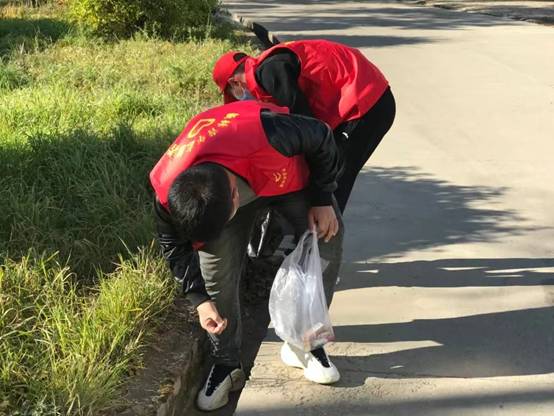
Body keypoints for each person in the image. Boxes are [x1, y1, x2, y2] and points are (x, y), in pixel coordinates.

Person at [150, 99, 344, 411]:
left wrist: (322, 197)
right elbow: (173, 247)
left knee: (328, 236)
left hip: (285, 174)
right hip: (224, 185)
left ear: (236, 195)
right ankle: (227, 363)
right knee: (215, 270)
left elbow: (321, 135)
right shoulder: (167, 191)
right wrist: (199, 300)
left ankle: (305, 342)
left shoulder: (273, 132)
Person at [212, 38, 396, 213]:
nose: (239, 98)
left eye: (233, 94)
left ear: (234, 83)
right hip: (359, 98)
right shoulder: (268, 69)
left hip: (368, 102)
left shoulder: (271, 72)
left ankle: (325, 232)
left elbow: (308, 128)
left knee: (334, 177)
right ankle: (320, 225)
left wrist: (320, 200)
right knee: (324, 170)